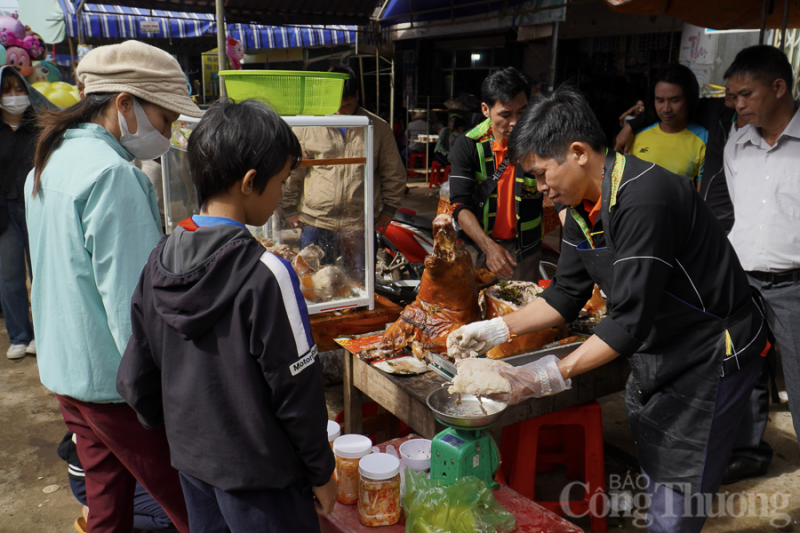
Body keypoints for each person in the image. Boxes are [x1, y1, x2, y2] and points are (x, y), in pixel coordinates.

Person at [448, 86, 769, 532]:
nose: (541, 191)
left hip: (713, 352)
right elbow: (564, 295)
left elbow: (630, 320)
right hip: (663, 345)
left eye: (543, 175)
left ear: (578, 152)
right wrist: (496, 329)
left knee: (680, 495)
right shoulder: (580, 207)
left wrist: (544, 375)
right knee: (661, 474)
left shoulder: (646, 198)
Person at [117, 99, 338, 532]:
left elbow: (137, 370)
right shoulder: (268, 272)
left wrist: (178, 432)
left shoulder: (160, 257)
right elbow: (298, 389)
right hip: (264, 479)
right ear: (250, 182)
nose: (280, 198)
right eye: (281, 182)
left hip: (193, 465)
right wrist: (320, 470)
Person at [25, 41, 200, 533]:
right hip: (114, 385)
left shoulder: (53, 156)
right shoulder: (114, 175)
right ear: (124, 104)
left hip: (65, 370)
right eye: (165, 120)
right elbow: (134, 308)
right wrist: (167, 393)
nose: (167, 134)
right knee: (191, 502)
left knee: (107, 502)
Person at [724, 46, 800, 463]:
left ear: (778, 87)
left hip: (795, 285)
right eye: (733, 96)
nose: (738, 104)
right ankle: (746, 455)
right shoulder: (737, 144)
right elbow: (741, 211)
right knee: (741, 369)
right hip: (744, 281)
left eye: (746, 94)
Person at [281, 65, 406, 279]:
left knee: (359, 282)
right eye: (334, 106)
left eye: (347, 105)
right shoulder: (308, 125)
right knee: (313, 282)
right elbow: (292, 170)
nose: (340, 112)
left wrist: (389, 210)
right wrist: (289, 208)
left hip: (358, 223)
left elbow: (393, 172)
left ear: (357, 96)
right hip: (315, 221)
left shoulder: (377, 127)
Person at [449, 66, 543, 281]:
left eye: (522, 112)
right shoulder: (468, 145)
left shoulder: (538, 142)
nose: (516, 122)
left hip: (525, 250)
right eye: (506, 114)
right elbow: (459, 205)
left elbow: (560, 195)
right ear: (485, 109)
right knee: (478, 309)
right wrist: (489, 247)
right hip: (479, 248)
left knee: (523, 309)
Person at [0, 66, 50, 359]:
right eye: (7, 91)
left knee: (42, 273)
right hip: (4, 212)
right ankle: (19, 335)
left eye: (19, 90)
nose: (14, 96)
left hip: (37, 206)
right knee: (10, 276)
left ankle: (43, 333)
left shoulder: (41, 126)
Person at [57, 432, 174, 533]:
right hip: (96, 479)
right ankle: (101, 516)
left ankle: (105, 512)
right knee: (174, 514)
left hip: (128, 470)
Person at [630, 64, 708, 190]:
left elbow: (702, 197)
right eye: (660, 101)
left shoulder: (704, 140)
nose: (666, 109)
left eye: (674, 100)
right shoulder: (637, 136)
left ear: (689, 99)